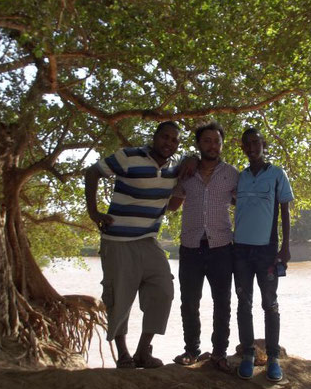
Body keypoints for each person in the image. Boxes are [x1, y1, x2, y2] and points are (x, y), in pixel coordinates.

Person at [85, 121, 187, 369]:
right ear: (154, 137)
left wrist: (184, 179)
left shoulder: (173, 170)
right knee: (120, 297)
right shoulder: (129, 157)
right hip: (118, 240)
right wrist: (94, 213)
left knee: (163, 291)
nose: (169, 143)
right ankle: (123, 355)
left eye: (174, 140)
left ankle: (143, 351)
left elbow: (172, 206)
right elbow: (92, 172)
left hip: (148, 240)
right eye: (165, 137)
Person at [167, 121, 239, 373]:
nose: (212, 145)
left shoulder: (232, 173)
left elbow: (244, 203)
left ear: (222, 145)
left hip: (221, 247)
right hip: (190, 246)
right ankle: (191, 350)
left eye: (217, 141)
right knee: (189, 302)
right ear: (199, 144)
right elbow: (173, 206)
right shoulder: (187, 172)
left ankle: (219, 353)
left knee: (222, 303)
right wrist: (177, 171)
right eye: (207, 141)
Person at [233, 128, 294, 382]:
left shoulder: (277, 174)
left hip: (267, 250)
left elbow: (285, 212)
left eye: (255, 142)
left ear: (263, 144)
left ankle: (272, 358)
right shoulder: (240, 177)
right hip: (240, 250)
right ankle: (247, 354)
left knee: (270, 304)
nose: (251, 147)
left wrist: (285, 246)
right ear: (243, 148)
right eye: (246, 144)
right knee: (243, 302)